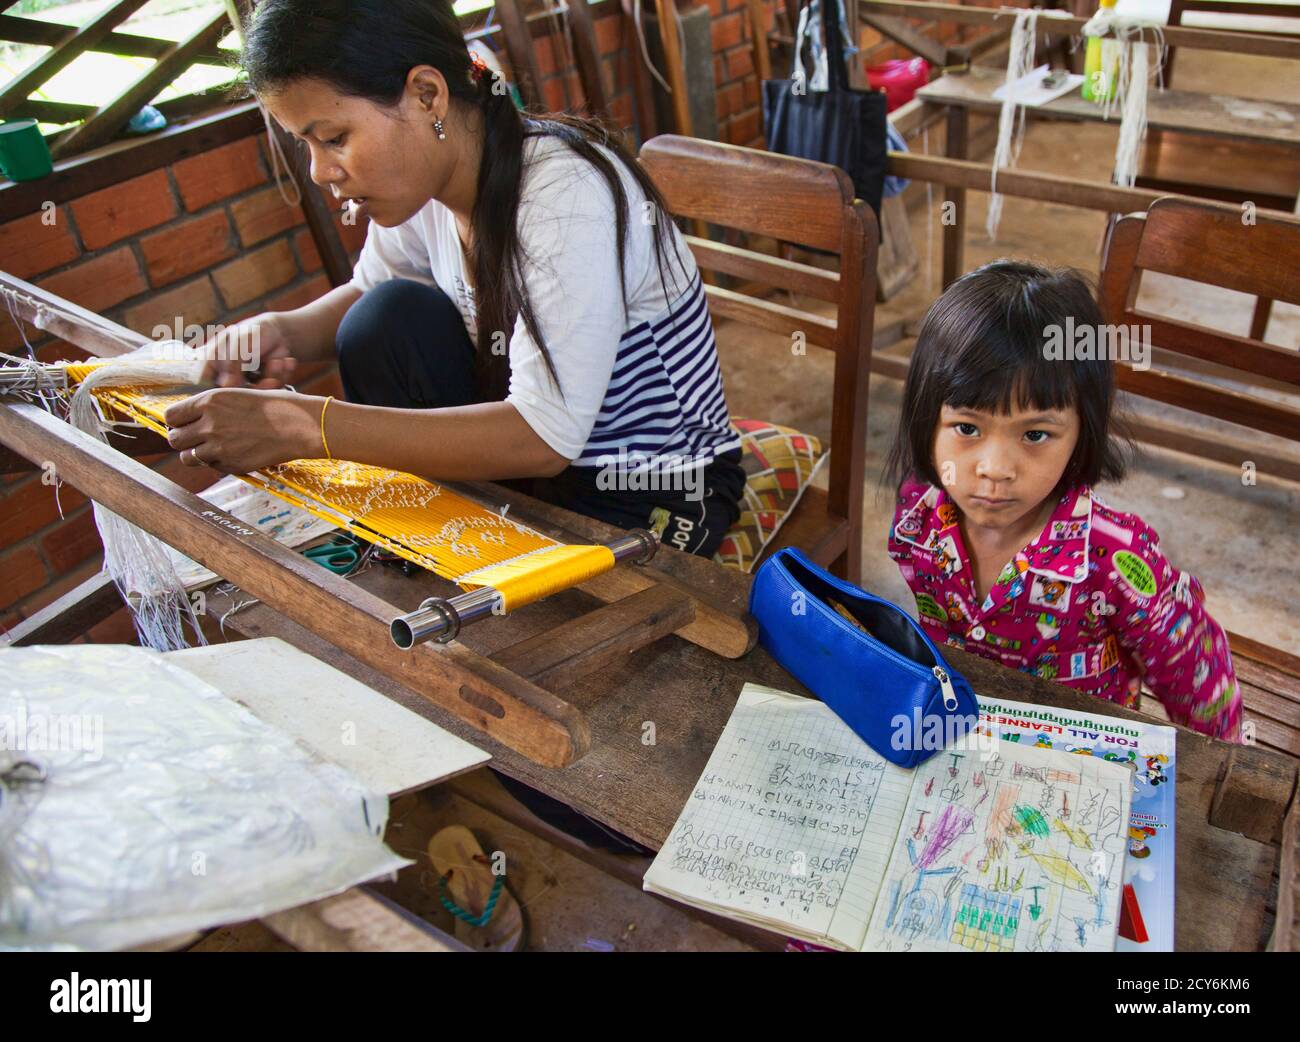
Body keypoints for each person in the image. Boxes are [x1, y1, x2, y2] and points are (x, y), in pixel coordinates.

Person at [163, 0, 744, 557]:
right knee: (382, 319)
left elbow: (544, 439)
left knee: (521, 616)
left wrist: (307, 426)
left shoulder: (564, 194)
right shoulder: (426, 190)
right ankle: (434, 529)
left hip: (653, 484)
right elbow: (365, 293)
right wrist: (277, 332)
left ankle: (447, 535)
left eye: (335, 138)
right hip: (547, 466)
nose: (321, 172)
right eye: (305, 145)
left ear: (426, 94)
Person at [884, 260, 1242, 740]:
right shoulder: (917, 519)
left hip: (1084, 760)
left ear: (1082, 432)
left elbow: (1195, 669)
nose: (995, 468)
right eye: (967, 428)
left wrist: (1225, 779)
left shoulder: (1116, 557)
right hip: (963, 738)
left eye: (1035, 434)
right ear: (925, 418)